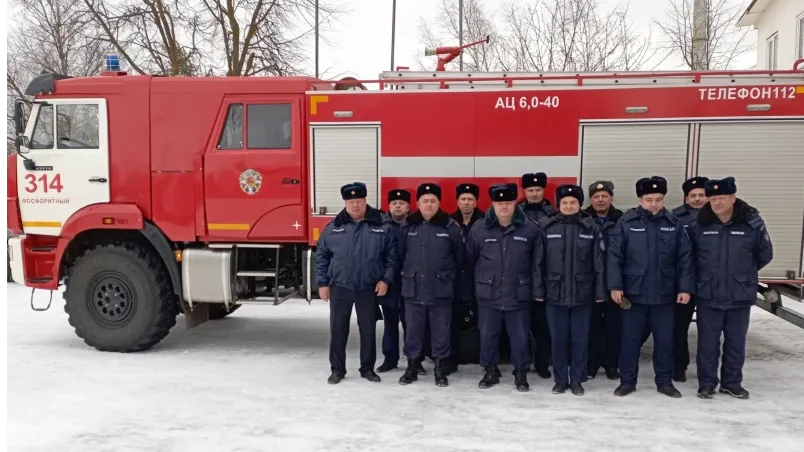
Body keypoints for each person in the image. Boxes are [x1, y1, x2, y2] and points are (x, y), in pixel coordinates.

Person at [607, 176, 694, 398]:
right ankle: (627, 382)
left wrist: (684, 288)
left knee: (665, 342)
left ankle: (664, 382)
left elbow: (685, 258)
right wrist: (615, 286)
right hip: (634, 295)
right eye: (649, 199)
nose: (653, 204)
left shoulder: (673, 224)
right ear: (640, 199)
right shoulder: (627, 223)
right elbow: (614, 256)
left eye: (658, 199)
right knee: (630, 341)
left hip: (664, 296)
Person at [688, 177, 773, 399]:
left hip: (739, 294)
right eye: (713, 198)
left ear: (733, 198)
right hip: (708, 293)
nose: (717, 203)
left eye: (722, 198)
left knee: (736, 343)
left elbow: (764, 254)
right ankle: (706, 384)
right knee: (707, 344)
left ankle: (732, 383)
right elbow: (691, 257)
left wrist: (742, 273)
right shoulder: (700, 225)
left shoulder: (751, 223)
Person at [315, 182, 398, 384]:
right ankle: (337, 369)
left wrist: (386, 279)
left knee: (368, 329)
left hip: (367, 287)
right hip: (340, 286)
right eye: (351, 202)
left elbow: (392, 257)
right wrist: (323, 283)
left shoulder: (382, 225)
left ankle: (367, 368)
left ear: (365, 201)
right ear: (345, 203)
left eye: (358, 201)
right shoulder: (333, 227)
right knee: (338, 329)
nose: (355, 206)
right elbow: (322, 256)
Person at [466, 183, 544, 391]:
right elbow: (470, 261)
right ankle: (490, 370)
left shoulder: (529, 229)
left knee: (519, 336)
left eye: (508, 202)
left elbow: (537, 264)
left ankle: (520, 372)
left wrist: (536, 291)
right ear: (492, 204)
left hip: (519, 294)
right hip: (488, 294)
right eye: (500, 203)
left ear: (514, 203)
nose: (504, 207)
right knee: (488, 335)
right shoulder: (479, 229)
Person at [538, 184, 605, 395]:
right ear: (559, 204)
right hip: (554, 294)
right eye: (565, 202)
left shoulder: (591, 228)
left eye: (573, 202)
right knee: (557, 340)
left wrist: (600, 292)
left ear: (579, 204)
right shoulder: (546, 228)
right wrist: (538, 291)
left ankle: (577, 379)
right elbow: (537, 264)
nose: (568, 206)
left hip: (582, 296)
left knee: (580, 340)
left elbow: (599, 264)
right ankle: (560, 379)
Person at [397, 183, 465, 386]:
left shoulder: (450, 227)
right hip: (414, 288)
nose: (428, 204)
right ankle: (412, 367)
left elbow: (459, 258)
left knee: (441, 331)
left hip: (441, 289)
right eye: (425, 201)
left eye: (432, 201)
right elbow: (401, 255)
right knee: (413, 331)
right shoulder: (408, 226)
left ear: (439, 203)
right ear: (417, 203)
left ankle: (439, 369)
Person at [377, 188, 424, 374]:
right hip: (389, 283)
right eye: (394, 203)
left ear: (408, 207)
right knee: (390, 323)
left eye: (402, 203)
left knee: (412, 324)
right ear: (389, 206)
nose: (398, 206)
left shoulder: (416, 224)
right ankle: (390, 359)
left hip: (411, 283)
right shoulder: (380, 225)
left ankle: (415, 361)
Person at [670, 176, 709, 382]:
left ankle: (707, 372)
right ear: (686, 197)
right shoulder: (675, 218)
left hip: (710, 282)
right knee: (680, 327)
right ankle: (679, 366)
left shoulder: (720, 216)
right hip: (684, 282)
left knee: (708, 331)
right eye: (692, 195)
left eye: (701, 195)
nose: (697, 199)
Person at [584, 180, 623, 381]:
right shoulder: (582, 219)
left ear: (611, 198)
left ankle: (611, 364)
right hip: (589, 284)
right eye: (596, 197)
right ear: (591, 199)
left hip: (614, 284)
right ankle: (591, 363)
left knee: (613, 327)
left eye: (604, 196)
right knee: (591, 326)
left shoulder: (622, 220)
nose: (600, 200)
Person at [519, 172, 555, 379]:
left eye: (538, 190)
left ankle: (542, 362)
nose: (534, 194)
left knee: (543, 326)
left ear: (543, 190)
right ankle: (522, 363)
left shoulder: (553, 214)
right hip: (520, 278)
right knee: (521, 326)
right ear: (524, 191)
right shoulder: (515, 213)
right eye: (530, 190)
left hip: (545, 279)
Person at [447, 182, 486, 372]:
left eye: (470, 199)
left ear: (476, 201)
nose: (466, 203)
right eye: (463, 199)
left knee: (481, 321)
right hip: (455, 281)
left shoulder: (486, 221)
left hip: (479, 280)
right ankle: (452, 357)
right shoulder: (449, 222)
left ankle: (480, 355)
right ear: (458, 201)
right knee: (453, 320)